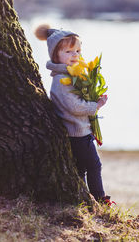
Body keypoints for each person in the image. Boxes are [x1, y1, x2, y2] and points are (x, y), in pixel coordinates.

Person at [34, 24, 114, 205]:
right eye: (69, 51)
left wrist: (91, 95)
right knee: (93, 165)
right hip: (77, 133)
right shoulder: (62, 81)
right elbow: (74, 107)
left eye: (78, 50)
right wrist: (96, 104)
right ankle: (100, 199)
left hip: (79, 130)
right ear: (56, 56)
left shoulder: (71, 76)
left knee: (81, 168)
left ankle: (86, 198)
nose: (75, 55)